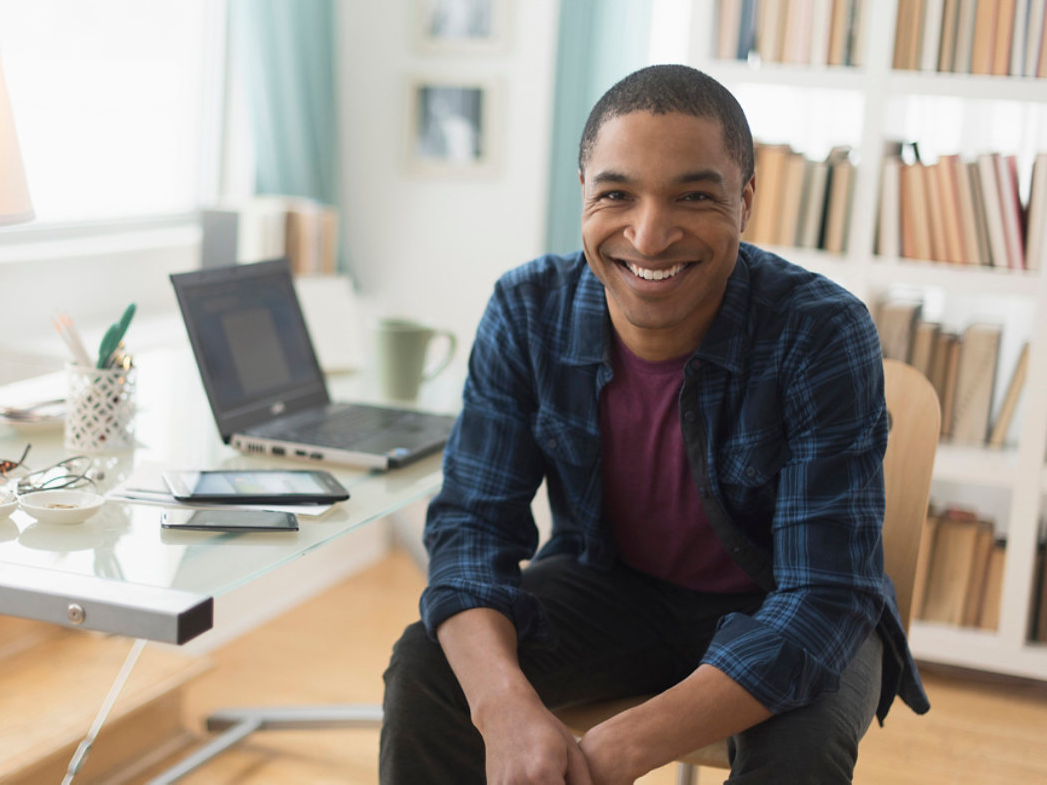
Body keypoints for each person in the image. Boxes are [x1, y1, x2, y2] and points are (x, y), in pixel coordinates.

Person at [379, 64, 929, 785]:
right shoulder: (526, 312)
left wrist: (627, 743)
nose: (649, 233)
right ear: (583, 193)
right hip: (613, 586)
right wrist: (504, 702)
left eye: (694, 196)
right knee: (429, 662)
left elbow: (823, 598)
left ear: (746, 200)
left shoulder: (821, 332)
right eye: (616, 194)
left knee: (801, 750)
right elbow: (470, 533)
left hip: (783, 601)